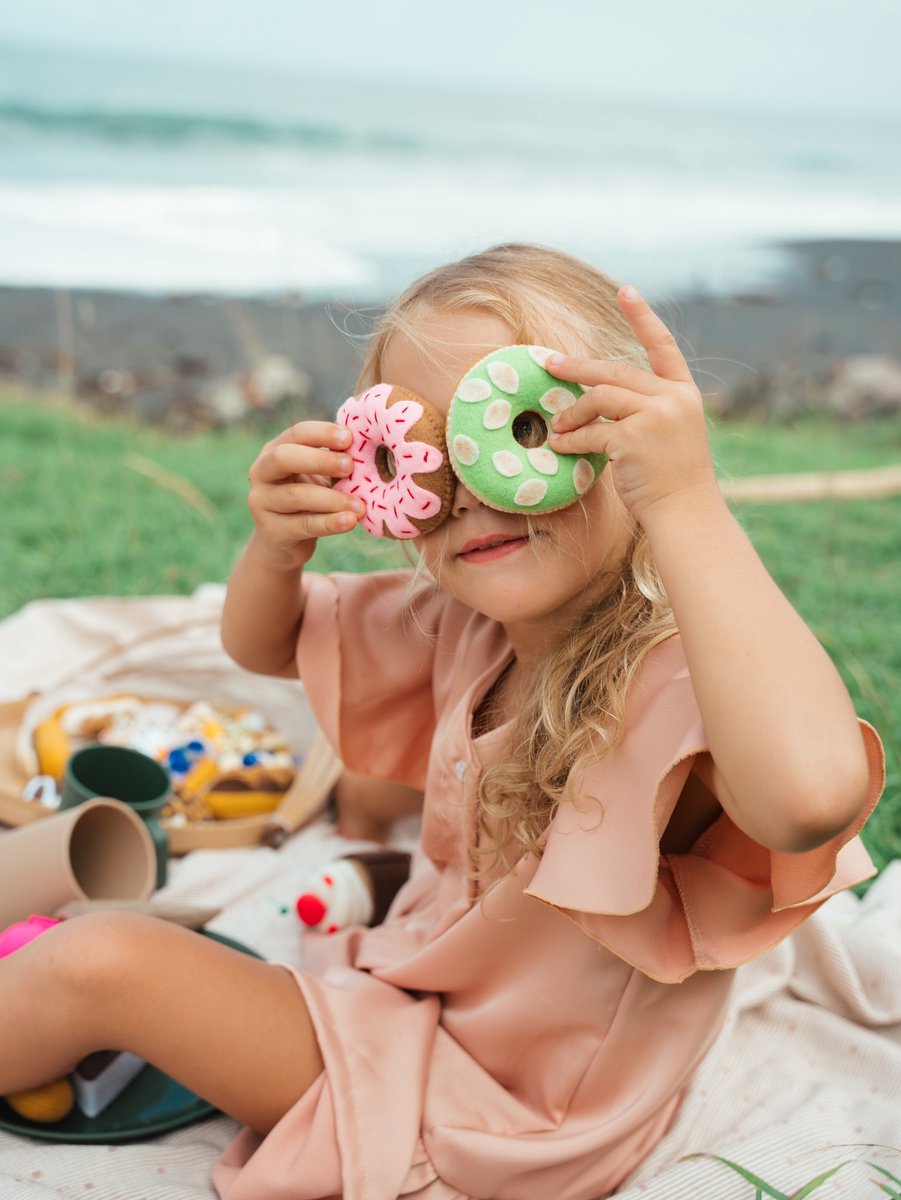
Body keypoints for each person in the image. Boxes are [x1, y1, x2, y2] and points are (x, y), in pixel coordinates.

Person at [0, 244, 883, 1200]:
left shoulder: (676, 679)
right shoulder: (471, 619)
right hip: (426, 998)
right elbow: (269, 645)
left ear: (625, 439)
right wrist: (275, 544)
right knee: (373, 759)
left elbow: (806, 802)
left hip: (501, 1112)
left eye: (519, 429)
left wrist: (686, 501)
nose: (464, 490)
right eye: (418, 453)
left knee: (99, 961)